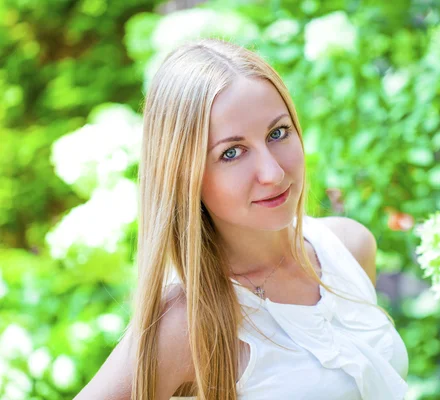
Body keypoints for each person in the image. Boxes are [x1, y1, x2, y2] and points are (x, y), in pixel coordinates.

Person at [74, 38, 409, 400]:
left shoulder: (349, 246)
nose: (273, 172)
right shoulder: (188, 321)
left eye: (277, 133)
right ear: (183, 175)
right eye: (231, 153)